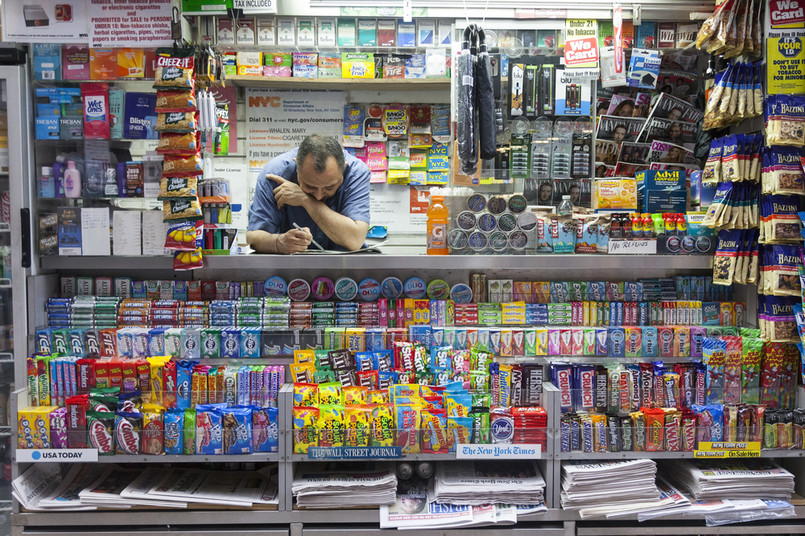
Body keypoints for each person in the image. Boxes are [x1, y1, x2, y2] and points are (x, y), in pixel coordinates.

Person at [247, 135, 370, 254]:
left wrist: (306, 200)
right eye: (310, 186)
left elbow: (355, 240)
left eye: (329, 187)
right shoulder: (275, 173)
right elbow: (253, 238)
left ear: (344, 168)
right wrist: (279, 243)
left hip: (345, 270)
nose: (319, 196)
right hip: (287, 270)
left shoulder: (356, 173)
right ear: (297, 168)